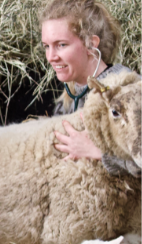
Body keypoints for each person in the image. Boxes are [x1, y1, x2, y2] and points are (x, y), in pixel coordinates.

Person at [43, 0, 139, 176]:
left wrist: (97, 152)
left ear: (91, 44)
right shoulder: (69, 97)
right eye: (46, 46)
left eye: (61, 45)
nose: (50, 57)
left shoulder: (128, 89)